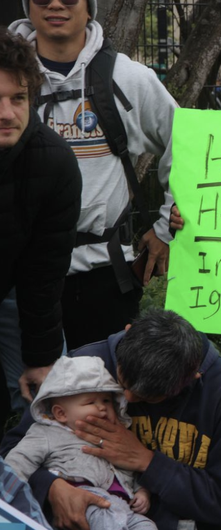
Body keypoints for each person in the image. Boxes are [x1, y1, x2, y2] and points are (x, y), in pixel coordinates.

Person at [9, 0, 178, 356]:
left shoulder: (129, 79)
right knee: (26, 399)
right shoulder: (7, 77)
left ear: (90, 8)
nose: (55, 4)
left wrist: (166, 229)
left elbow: (187, 146)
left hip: (102, 273)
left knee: (100, 396)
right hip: (18, 272)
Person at [1, 309, 221, 530]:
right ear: (128, 331)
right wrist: (52, 488)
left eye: (147, 397)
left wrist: (147, 462)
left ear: (193, 377)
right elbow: (12, 452)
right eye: (121, 382)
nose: (126, 399)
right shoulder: (84, 368)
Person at [0, 29, 81, 425]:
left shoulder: (54, 164)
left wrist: (41, 359)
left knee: (45, 404)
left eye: (18, 99)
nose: (7, 113)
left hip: (17, 288)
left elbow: (43, 275)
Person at [5, 356, 155, 530]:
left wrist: (143, 492)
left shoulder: (117, 437)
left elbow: (132, 468)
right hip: (82, 501)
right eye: (91, 402)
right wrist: (7, 499)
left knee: (147, 525)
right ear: (61, 414)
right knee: (106, 521)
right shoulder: (47, 433)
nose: (102, 407)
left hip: (124, 506)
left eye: (106, 400)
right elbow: (18, 462)